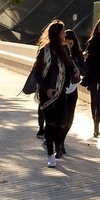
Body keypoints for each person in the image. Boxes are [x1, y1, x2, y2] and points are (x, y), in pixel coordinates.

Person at [31, 20, 79, 166]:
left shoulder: (65, 48)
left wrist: (75, 70)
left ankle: (55, 142)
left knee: (63, 122)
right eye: (63, 31)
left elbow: (68, 66)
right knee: (50, 124)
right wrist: (47, 89)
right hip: (47, 93)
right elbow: (37, 74)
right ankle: (51, 155)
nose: (65, 34)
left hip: (61, 92)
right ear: (57, 33)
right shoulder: (44, 50)